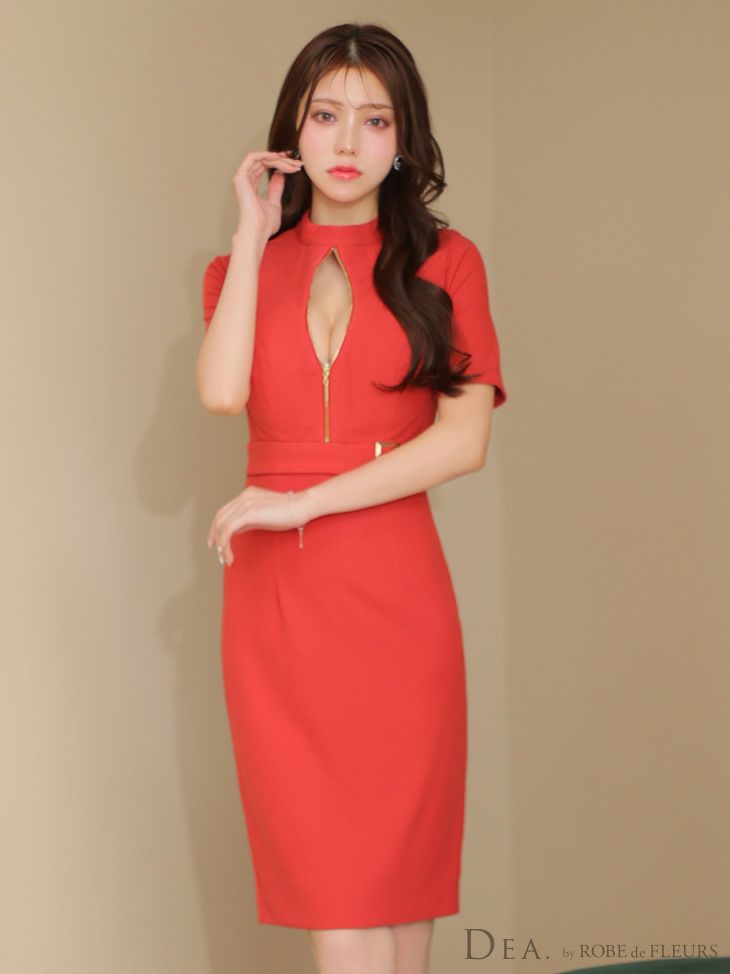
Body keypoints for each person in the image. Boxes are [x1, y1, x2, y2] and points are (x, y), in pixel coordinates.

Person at [197, 22, 508, 974]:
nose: (346, 142)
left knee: (401, 900)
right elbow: (222, 393)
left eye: (374, 121)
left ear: (404, 137)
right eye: (325, 116)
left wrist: (304, 504)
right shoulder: (238, 269)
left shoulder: (448, 261)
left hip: (396, 598)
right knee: (335, 893)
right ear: (292, 129)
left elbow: (462, 443)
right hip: (279, 608)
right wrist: (251, 236)